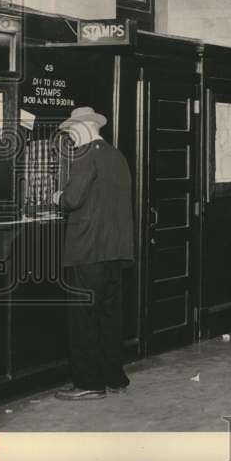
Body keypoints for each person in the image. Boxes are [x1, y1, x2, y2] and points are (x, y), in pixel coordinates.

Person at [54, 106, 134, 401]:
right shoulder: (117, 156)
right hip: (116, 251)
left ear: (84, 127)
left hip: (87, 251)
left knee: (83, 318)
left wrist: (58, 196)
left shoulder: (86, 154)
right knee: (110, 316)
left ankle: (88, 383)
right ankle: (115, 378)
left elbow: (73, 199)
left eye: (71, 132)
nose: (70, 139)